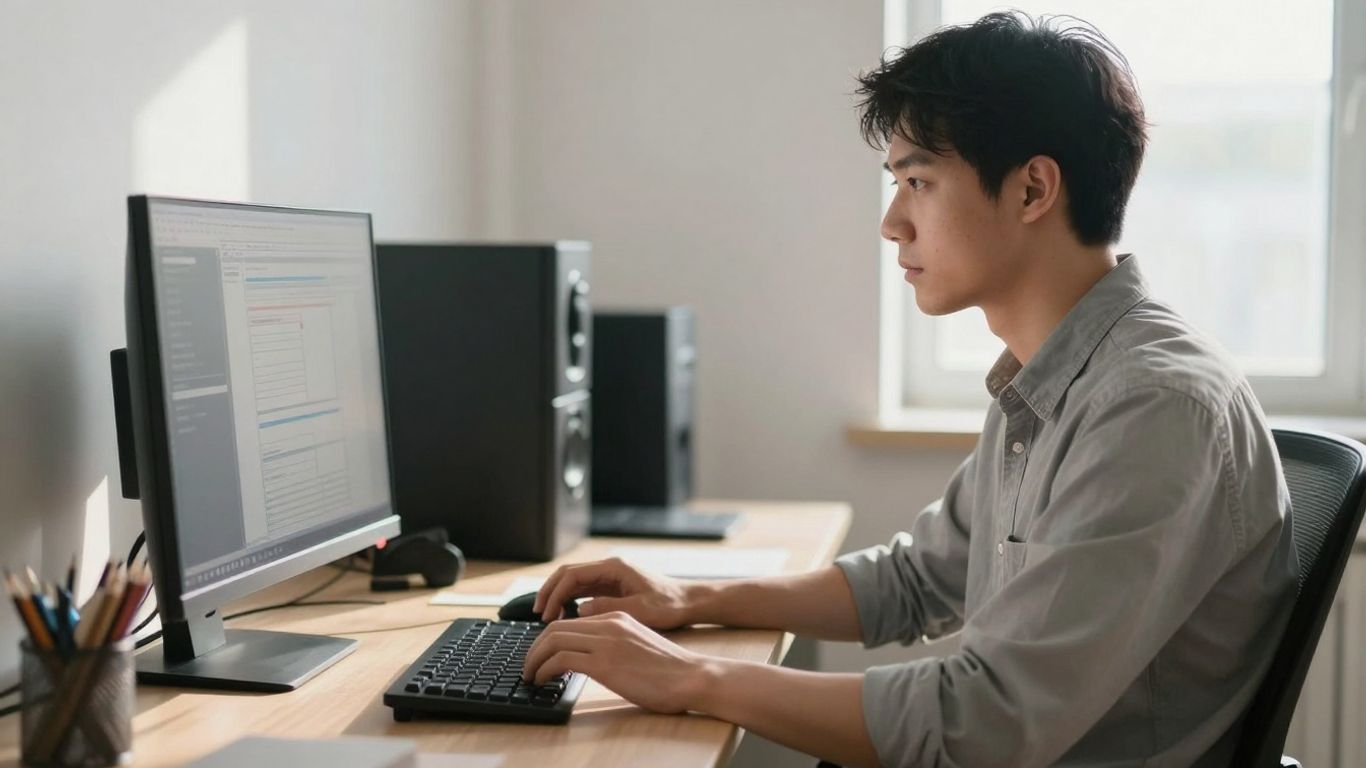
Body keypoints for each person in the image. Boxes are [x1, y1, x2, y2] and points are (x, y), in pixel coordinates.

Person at [520, 11, 1299, 767]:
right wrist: (692, 600)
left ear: (1032, 191)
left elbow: (981, 724)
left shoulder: (1152, 406)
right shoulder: (1054, 374)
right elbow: (917, 579)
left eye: (918, 181)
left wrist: (694, 678)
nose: (892, 222)